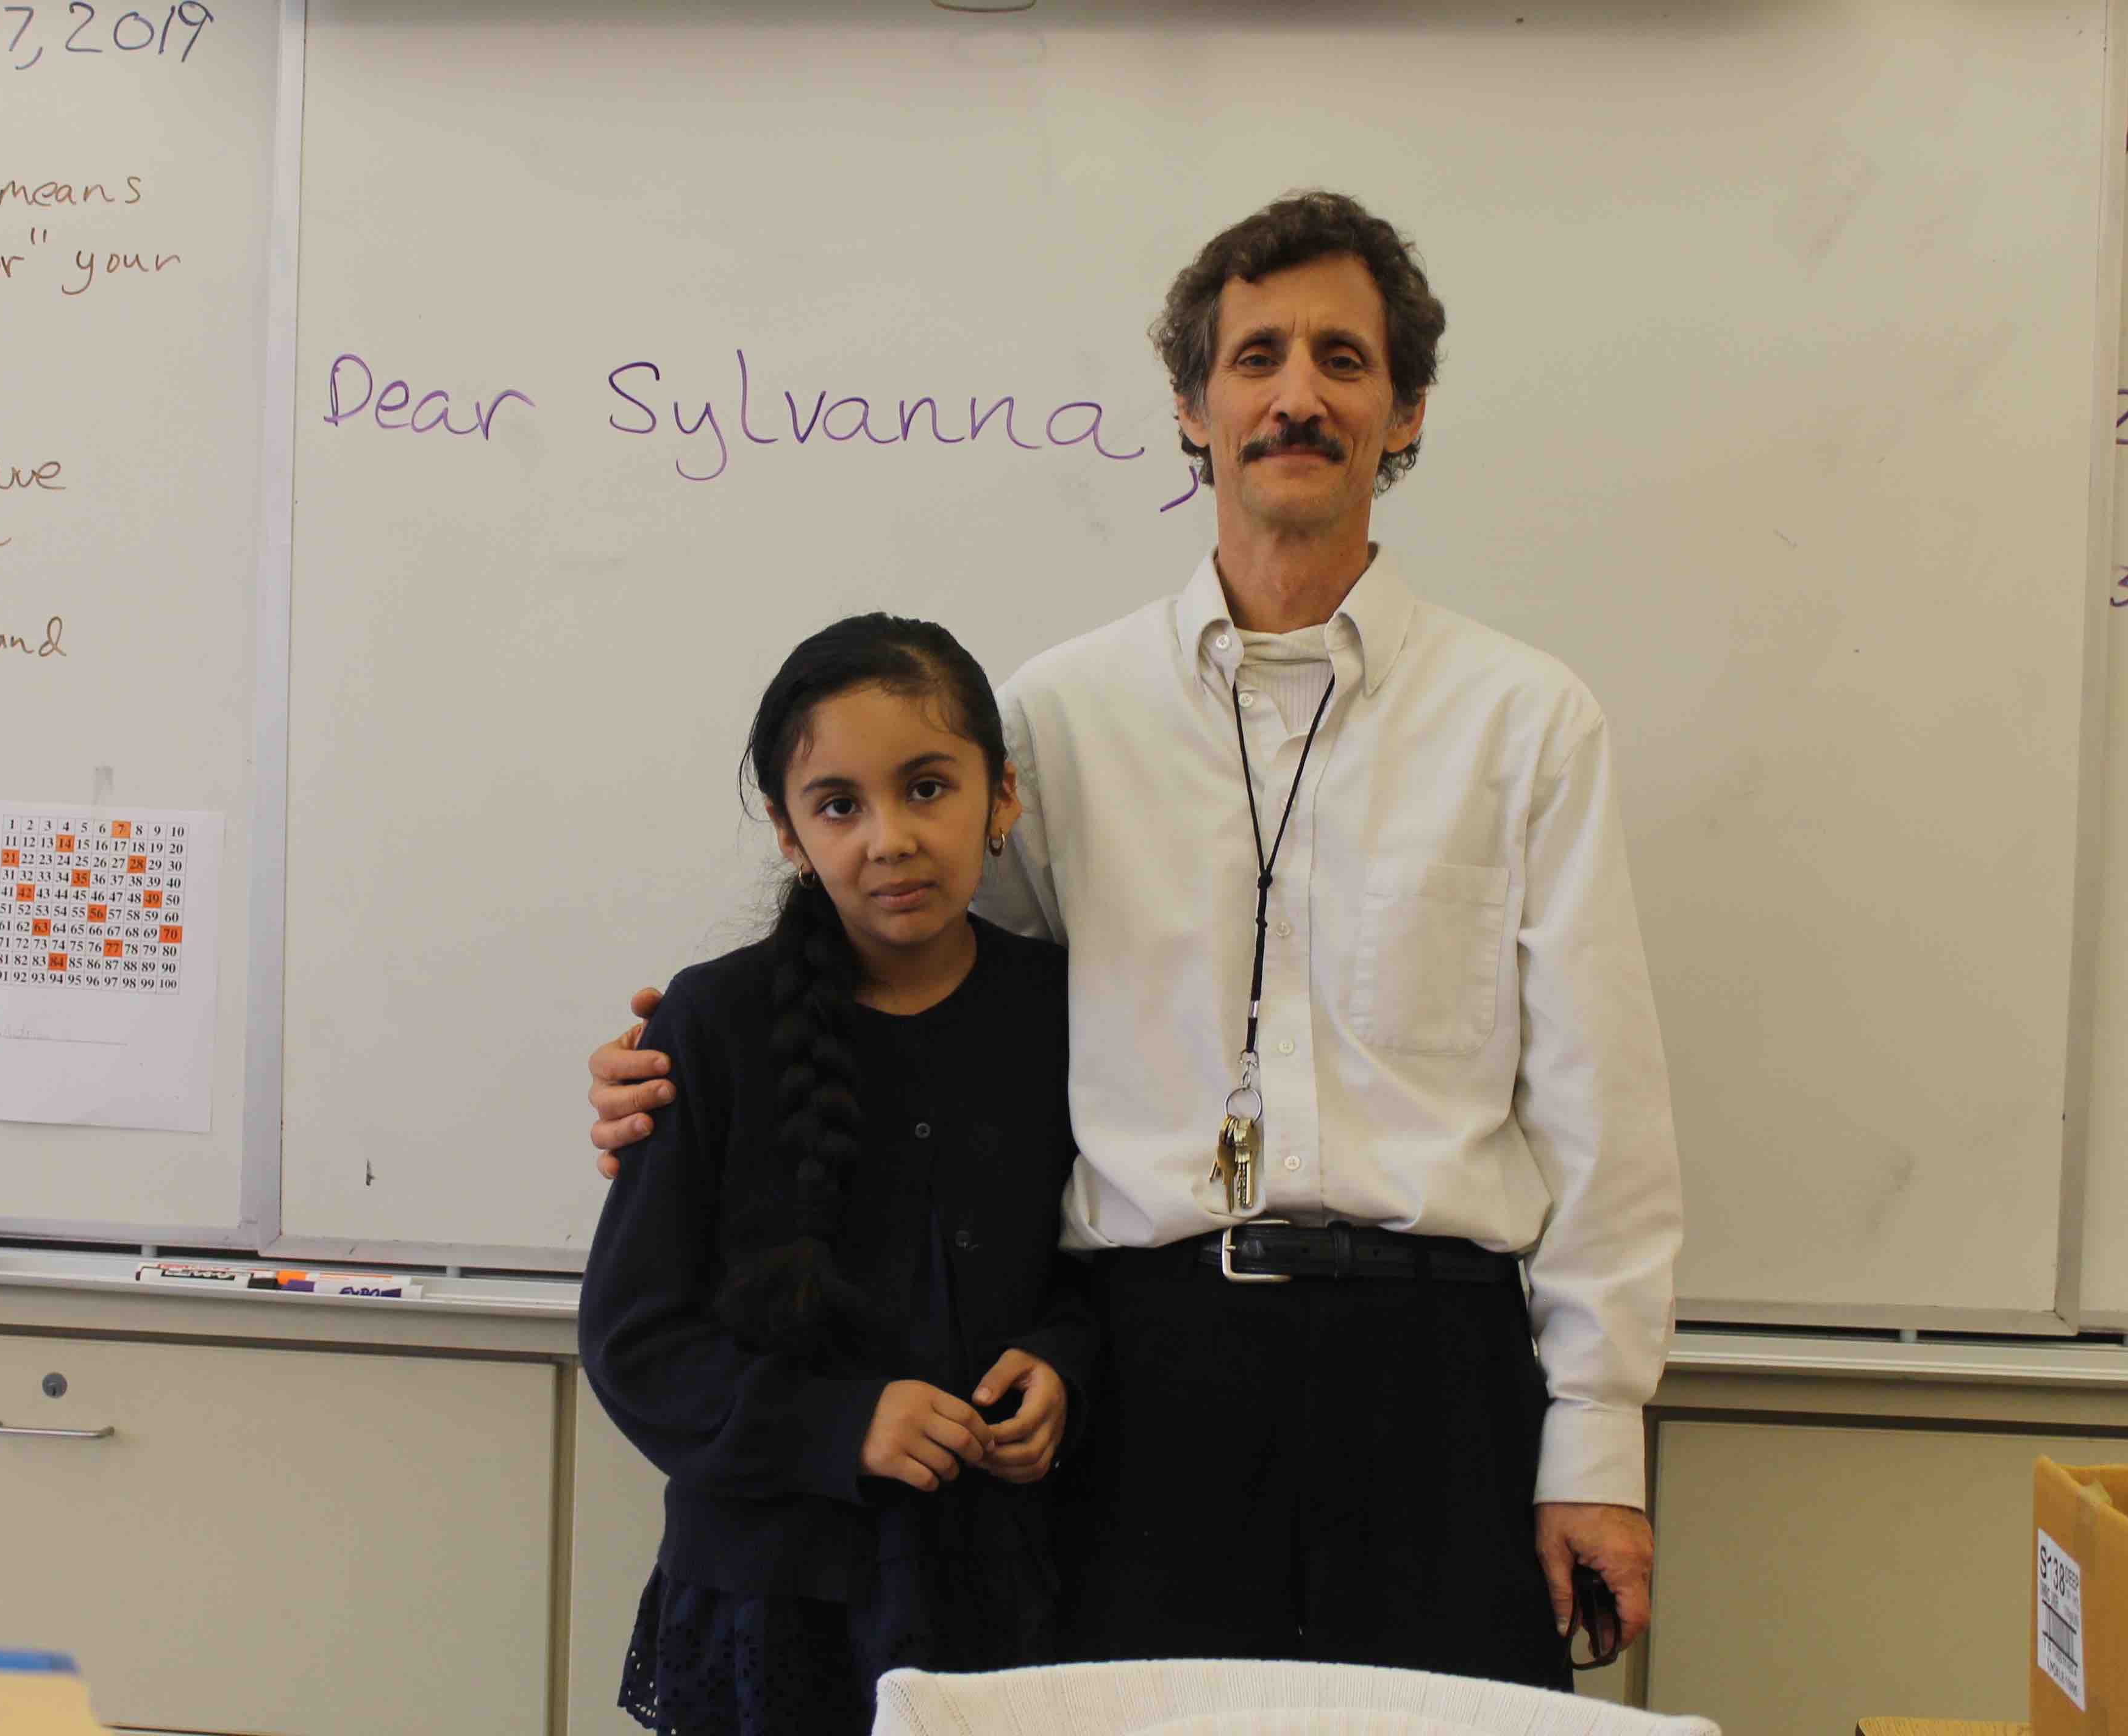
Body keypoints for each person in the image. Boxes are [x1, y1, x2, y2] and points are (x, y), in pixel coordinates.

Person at [589, 191, 1680, 1689]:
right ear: (1191, 405)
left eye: (1344, 358)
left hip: (1437, 1381)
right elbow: (931, 1010)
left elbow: (1601, 1105)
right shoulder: (1058, 716)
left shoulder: (1524, 719)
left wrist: (1598, 1442)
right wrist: (691, 1070)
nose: (1297, 395)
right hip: (1144, 1382)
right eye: (1256, 356)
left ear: (1407, 408)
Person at [579, 613, 1096, 1736]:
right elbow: (634, 1341)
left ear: (1002, 797)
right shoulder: (714, 1021)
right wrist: (838, 1424)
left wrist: (1065, 1363)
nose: (890, 839)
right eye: (838, 806)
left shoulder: (1066, 1008)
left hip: (1002, 1588)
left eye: (928, 788)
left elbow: (1103, 1262)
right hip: (774, 1596)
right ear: (787, 831)